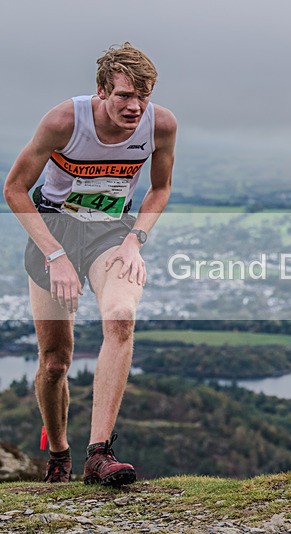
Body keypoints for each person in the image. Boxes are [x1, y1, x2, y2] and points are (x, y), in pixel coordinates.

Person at [3, 42, 177, 486]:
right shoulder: (65, 121)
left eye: (144, 94)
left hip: (110, 233)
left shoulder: (161, 124)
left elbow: (160, 189)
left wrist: (136, 240)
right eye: (124, 95)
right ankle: (59, 452)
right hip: (54, 231)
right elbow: (15, 189)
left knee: (121, 318)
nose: (135, 106)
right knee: (56, 361)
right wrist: (55, 255)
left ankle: (99, 453)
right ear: (102, 91)